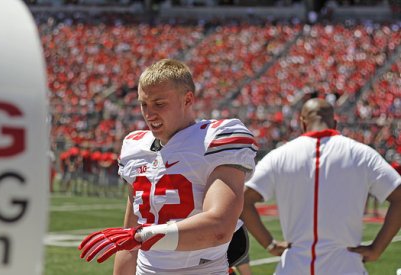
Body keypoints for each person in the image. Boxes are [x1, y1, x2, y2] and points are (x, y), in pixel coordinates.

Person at [78, 59, 257, 274]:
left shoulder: (215, 138)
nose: (149, 113)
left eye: (159, 103)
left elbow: (219, 227)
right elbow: (128, 240)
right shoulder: (135, 147)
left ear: (188, 99)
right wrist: (134, 239)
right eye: (143, 104)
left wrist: (141, 236)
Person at [241, 98, 401, 275]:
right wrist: (377, 249)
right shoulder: (362, 154)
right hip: (346, 266)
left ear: (302, 123)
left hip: (294, 266)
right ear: (334, 122)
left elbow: (243, 200)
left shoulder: (279, 155)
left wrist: (270, 244)